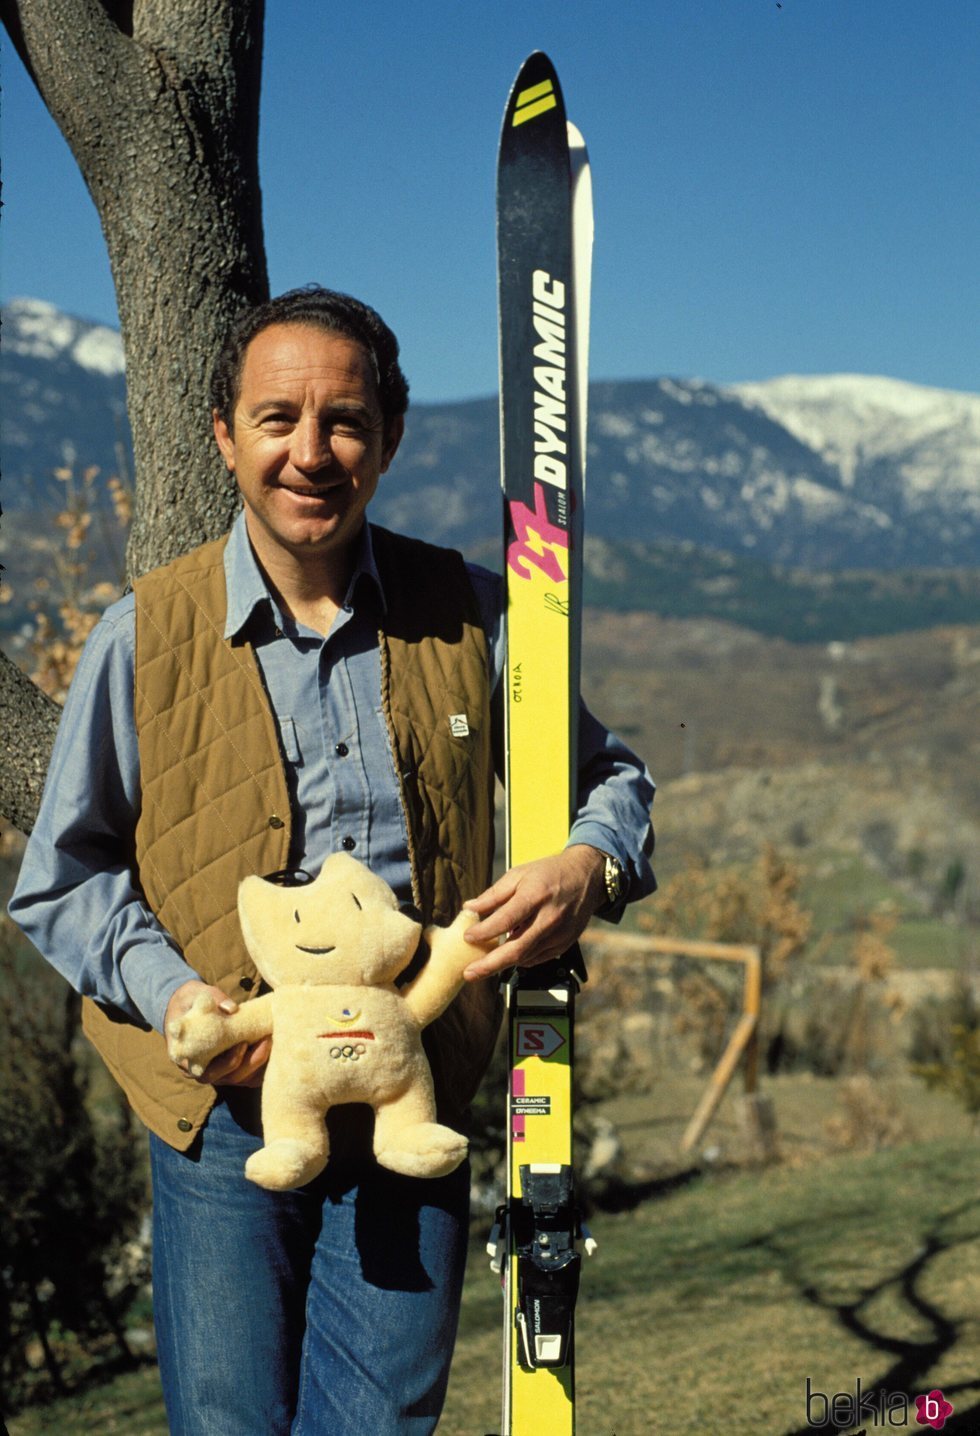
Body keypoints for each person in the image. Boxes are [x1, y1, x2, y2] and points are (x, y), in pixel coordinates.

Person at [10, 286, 655, 1435]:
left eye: (344, 420)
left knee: (381, 1421)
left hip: (415, 1083)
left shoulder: (471, 615)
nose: (311, 452)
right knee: (227, 1422)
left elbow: (607, 778)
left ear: (390, 437)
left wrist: (583, 869)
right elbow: (63, 875)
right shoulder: (141, 636)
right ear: (223, 434)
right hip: (222, 1117)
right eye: (276, 419)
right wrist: (178, 1001)